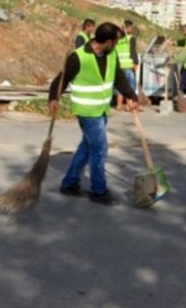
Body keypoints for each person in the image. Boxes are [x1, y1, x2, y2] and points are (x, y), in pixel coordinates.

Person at [49, 22, 139, 206]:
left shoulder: (111, 53)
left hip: (101, 108)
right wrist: (53, 97)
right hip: (86, 111)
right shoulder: (78, 57)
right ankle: (98, 190)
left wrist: (131, 95)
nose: (116, 45)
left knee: (87, 147)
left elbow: (119, 77)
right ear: (107, 41)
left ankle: (69, 183)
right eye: (115, 41)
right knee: (99, 149)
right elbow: (62, 79)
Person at [114, 20, 139, 111]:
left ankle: (119, 105)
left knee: (120, 87)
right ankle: (129, 105)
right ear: (128, 28)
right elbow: (133, 51)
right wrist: (135, 63)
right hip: (128, 65)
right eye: (131, 27)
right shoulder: (131, 38)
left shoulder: (117, 39)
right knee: (130, 86)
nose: (132, 29)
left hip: (119, 66)